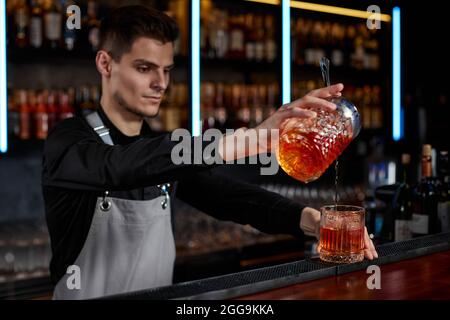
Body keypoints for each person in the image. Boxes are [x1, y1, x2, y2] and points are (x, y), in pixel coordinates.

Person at [42, 5, 378, 300]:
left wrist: (311, 220)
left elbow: (230, 198)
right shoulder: (69, 141)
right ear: (106, 63)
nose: (161, 83)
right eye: (145, 68)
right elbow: (118, 167)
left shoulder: (163, 145)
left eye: (167, 70)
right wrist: (253, 139)